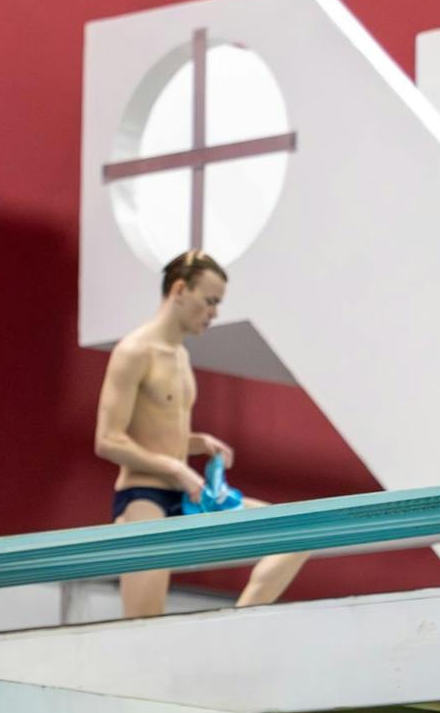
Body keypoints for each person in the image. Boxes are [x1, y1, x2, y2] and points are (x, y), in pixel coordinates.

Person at [94, 250, 309, 618]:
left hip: (191, 493)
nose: (214, 313)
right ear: (179, 290)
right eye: (209, 301)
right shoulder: (134, 351)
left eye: (218, 303)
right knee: (144, 627)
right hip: (145, 497)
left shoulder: (179, 356)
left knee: (295, 534)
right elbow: (108, 439)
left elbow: (154, 427)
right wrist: (176, 468)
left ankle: (237, 625)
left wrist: (196, 443)